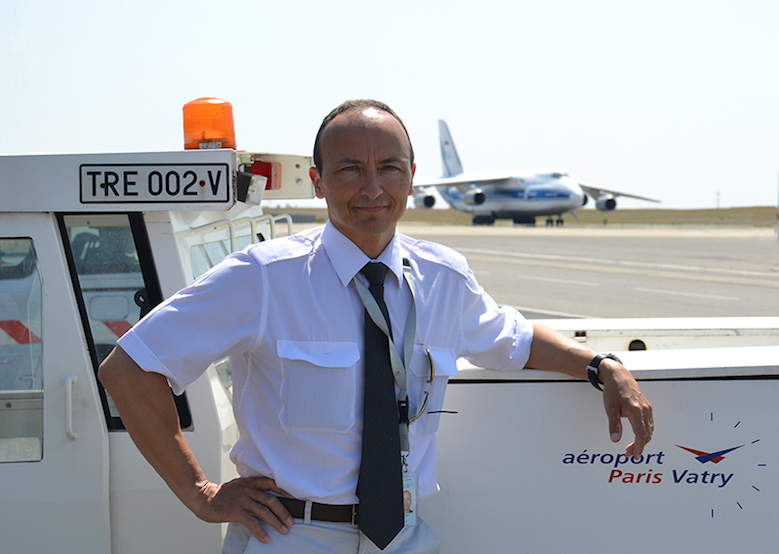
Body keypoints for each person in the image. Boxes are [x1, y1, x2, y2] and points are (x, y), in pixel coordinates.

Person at [98, 99, 654, 553]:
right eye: (349, 169)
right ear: (318, 182)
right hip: (291, 536)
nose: (372, 188)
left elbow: (513, 340)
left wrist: (603, 366)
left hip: (405, 537)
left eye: (388, 168)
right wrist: (201, 492)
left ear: (411, 179)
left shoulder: (442, 278)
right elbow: (129, 368)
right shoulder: (264, 278)